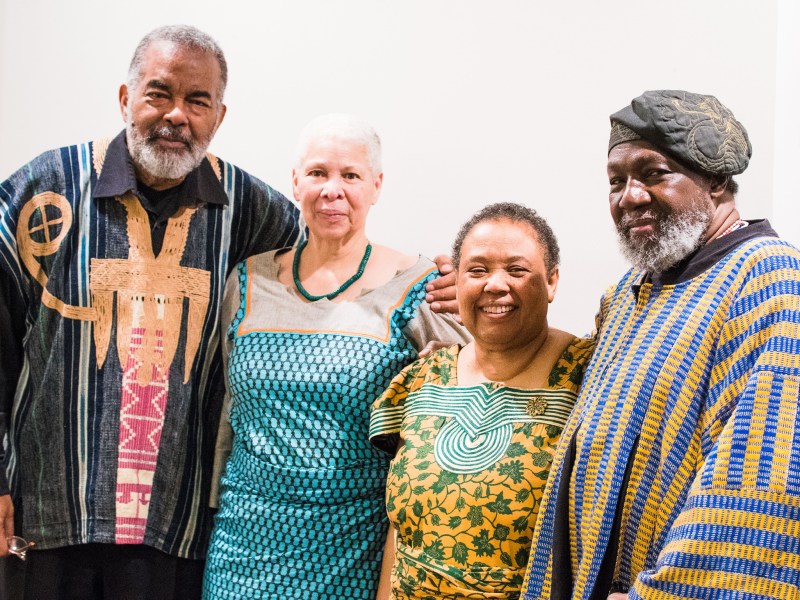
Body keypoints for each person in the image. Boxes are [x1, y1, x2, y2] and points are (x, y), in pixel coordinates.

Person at [0, 25, 452, 599]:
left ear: (219, 116)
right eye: (159, 94)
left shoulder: (251, 208)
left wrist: (453, 281)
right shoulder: (46, 191)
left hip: (176, 530)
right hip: (47, 515)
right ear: (125, 98)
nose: (177, 115)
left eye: (198, 101)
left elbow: (334, 252)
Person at [521, 90, 800, 600]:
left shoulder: (769, 279)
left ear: (716, 180)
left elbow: (763, 471)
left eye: (653, 173)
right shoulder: (628, 293)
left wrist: (666, 592)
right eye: (616, 181)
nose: (630, 196)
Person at [201, 114, 469, 599]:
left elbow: (474, 384)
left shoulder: (418, 286)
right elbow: (227, 408)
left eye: (351, 175)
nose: (332, 190)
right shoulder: (247, 282)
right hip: (242, 546)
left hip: (355, 543)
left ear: (376, 186)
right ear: (295, 182)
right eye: (318, 173)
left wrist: (476, 286)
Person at [371, 203, 594, 599]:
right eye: (477, 270)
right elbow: (399, 532)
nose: (495, 284)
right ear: (457, 283)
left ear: (551, 282)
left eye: (517, 270)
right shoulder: (421, 380)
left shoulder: (589, 377)